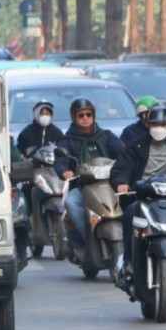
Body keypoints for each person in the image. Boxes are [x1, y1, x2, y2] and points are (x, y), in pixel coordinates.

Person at [110, 105, 166, 286]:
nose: (158, 129)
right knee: (129, 216)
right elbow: (120, 170)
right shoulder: (135, 146)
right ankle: (129, 264)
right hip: (144, 198)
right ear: (148, 126)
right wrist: (122, 182)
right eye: (154, 125)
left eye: (163, 125)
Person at [55, 98, 126, 254]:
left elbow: (124, 153)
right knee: (72, 203)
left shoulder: (106, 136)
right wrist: (64, 171)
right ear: (74, 118)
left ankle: (130, 242)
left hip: (109, 185)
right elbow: (60, 161)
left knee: (130, 200)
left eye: (89, 114)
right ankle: (87, 237)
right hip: (82, 187)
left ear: (94, 116)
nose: (85, 118)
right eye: (81, 115)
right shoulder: (67, 141)